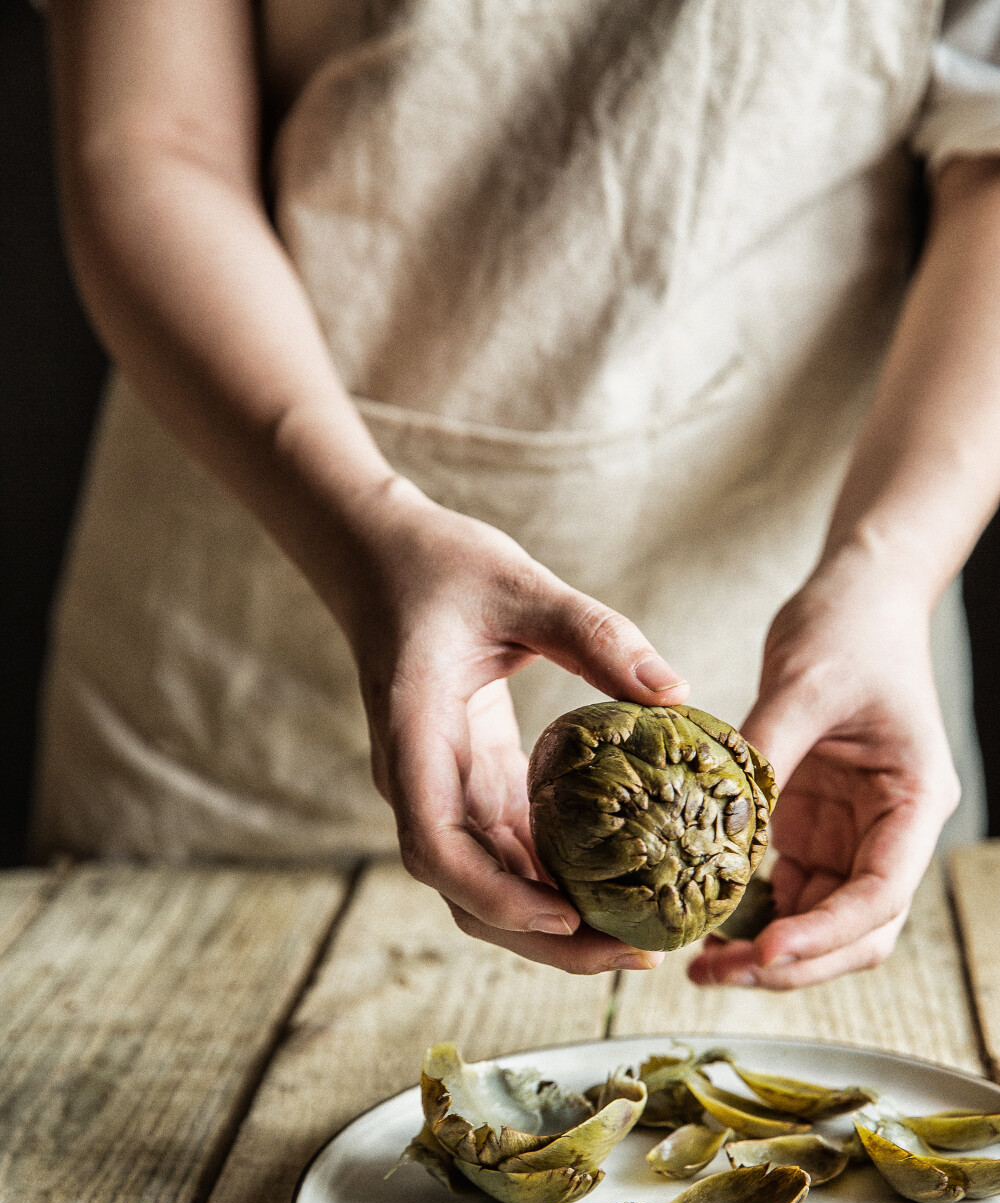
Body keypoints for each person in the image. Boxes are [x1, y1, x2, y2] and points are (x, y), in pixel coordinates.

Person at [36, 0, 1000, 988]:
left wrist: (888, 573)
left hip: (818, 653)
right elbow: (153, 137)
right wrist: (365, 528)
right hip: (249, 666)